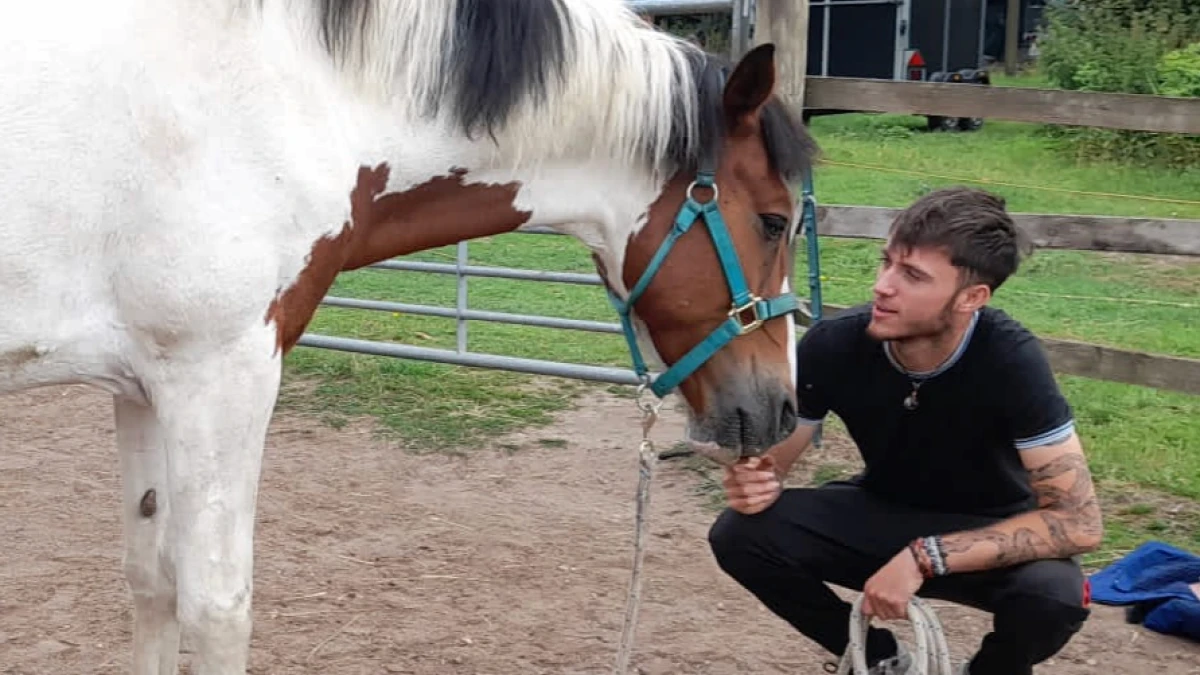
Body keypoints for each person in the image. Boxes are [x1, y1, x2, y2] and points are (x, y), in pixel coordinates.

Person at [707, 187, 1104, 675]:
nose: (883, 286)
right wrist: (751, 478)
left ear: (971, 298)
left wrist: (924, 558)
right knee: (741, 534)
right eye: (886, 263)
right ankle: (876, 661)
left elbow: (1079, 523)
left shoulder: (1010, 359)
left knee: (1054, 597)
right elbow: (770, 464)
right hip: (882, 510)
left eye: (912, 275)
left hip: (992, 524)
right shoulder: (836, 344)